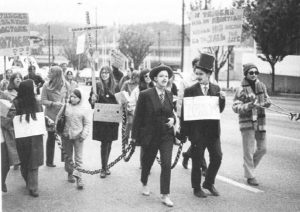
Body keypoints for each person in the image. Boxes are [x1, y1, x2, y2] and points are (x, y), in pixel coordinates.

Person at [179, 53, 226, 198]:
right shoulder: (190, 90)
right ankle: (196, 187)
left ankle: (209, 183)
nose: (198, 76)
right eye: (196, 73)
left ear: (209, 74)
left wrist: (222, 99)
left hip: (212, 131)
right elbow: (185, 113)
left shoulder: (216, 89)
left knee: (217, 157)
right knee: (198, 160)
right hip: (197, 132)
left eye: (201, 74)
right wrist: (183, 133)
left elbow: (219, 110)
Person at [132, 64, 177, 207]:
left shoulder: (169, 94)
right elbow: (138, 117)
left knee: (166, 164)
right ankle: (144, 182)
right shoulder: (145, 94)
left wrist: (173, 120)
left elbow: (171, 113)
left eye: (166, 76)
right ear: (155, 79)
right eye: (161, 76)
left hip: (166, 136)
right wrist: (134, 137)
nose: (164, 78)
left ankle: (165, 195)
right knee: (147, 162)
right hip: (150, 135)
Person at [232, 63, 271, 186]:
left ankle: (249, 168)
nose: (254, 75)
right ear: (246, 74)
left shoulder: (262, 86)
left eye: (256, 72)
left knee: (263, 149)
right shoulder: (240, 89)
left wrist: (267, 103)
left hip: (260, 122)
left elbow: (266, 99)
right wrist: (249, 106)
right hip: (247, 123)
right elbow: (235, 107)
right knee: (248, 151)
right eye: (251, 72)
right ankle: (250, 175)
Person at [7, 79, 44, 197]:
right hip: (27, 137)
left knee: (31, 161)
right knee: (27, 161)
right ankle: (30, 182)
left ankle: (33, 186)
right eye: (33, 86)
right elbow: (11, 119)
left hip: (29, 136)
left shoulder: (33, 102)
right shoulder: (19, 103)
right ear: (28, 89)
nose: (35, 88)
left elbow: (40, 117)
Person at [89, 66, 119, 179]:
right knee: (104, 143)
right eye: (102, 72)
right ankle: (103, 167)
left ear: (110, 74)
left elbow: (119, 100)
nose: (104, 74)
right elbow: (92, 103)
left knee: (109, 142)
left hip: (112, 118)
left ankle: (106, 165)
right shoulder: (96, 86)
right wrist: (92, 99)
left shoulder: (115, 86)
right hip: (102, 118)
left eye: (106, 72)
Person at [59, 89, 90, 189]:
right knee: (68, 157)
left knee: (78, 159)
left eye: (75, 97)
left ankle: (79, 179)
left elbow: (87, 123)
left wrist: (84, 135)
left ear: (80, 99)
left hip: (78, 137)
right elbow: (58, 118)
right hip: (66, 136)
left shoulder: (84, 109)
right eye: (71, 96)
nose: (72, 98)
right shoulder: (65, 106)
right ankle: (69, 172)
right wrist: (59, 131)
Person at [181, 58, 207, 174]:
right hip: (192, 116)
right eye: (197, 66)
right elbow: (181, 100)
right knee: (197, 142)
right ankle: (204, 167)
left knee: (203, 141)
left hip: (206, 116)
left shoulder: (208, 78)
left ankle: (187, 154)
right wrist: (181, 117)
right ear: (193, 67)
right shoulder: (186, 81)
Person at [41, 66, 70, 167]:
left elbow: (69, 98)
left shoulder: (66, 84)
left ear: (56, 74)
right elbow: (43, 100)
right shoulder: (46, 85)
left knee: (64, 137)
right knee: (51, 137)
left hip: (63, 115)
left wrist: (66, 104)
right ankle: (49, 161)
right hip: (50, 115)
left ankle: (65, 161)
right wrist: (53, 103)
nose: (48, 73)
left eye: (50, 72)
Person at [128, 69, 153, 168]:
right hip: (142, 120)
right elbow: (131, 104)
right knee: (144, 143)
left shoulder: (155, 88)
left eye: (149, 76)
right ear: (142, 77)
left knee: (152, 143)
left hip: (153, 119)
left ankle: (148, 162)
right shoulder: (137, 90)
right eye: (145, 76)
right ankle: (144, 163)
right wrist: (137, 113)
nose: (148, 78)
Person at [1, 91, 20, 192]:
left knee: (5, 162)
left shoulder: (4, 95)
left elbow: (13, 111)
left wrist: (4, 120)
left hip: (4, 134)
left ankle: (2, 180)